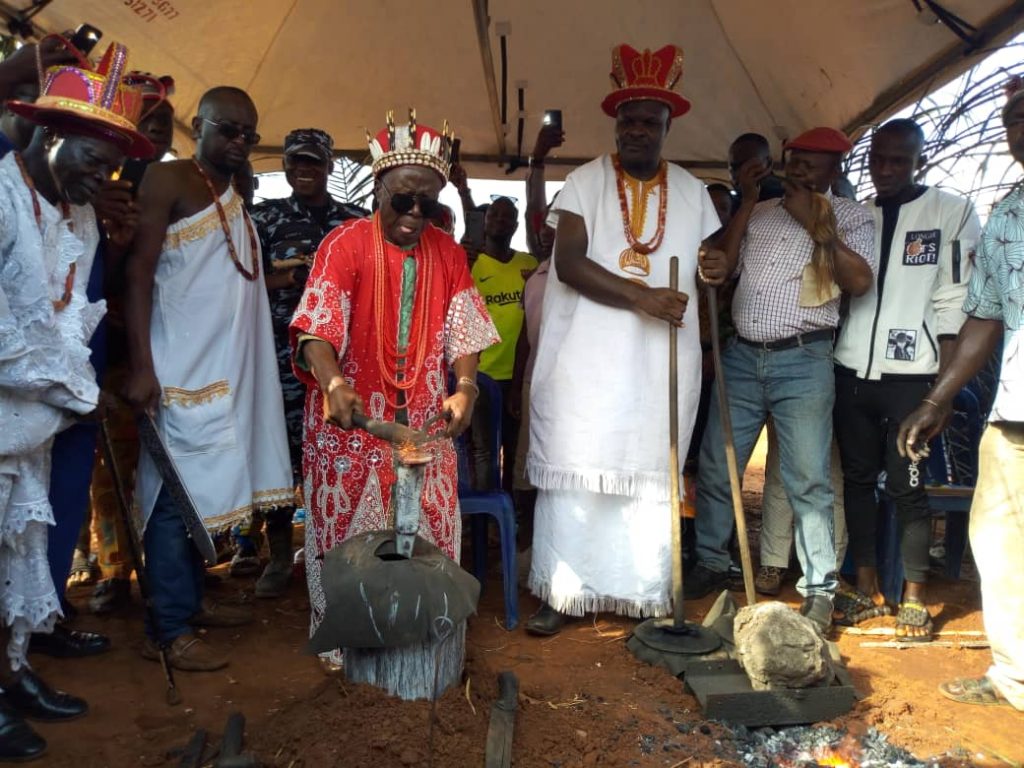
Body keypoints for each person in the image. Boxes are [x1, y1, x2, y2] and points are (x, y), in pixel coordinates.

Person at [525, 44, 720, 636]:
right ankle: (563, 593)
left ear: (668, 127)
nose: (637, 131)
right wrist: (643, 298)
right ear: (616, 125)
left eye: (649, 123)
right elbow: (570, 264)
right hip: (585, 360)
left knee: (647, 473)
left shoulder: (692, 192)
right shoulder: (584, 182)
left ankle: (644, 592)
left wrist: (713, 268)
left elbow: (713, 260)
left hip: (659, 362)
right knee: (577, 470)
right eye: (627, 121)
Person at [289, 110, 498, 643]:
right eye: (402, 200)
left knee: (425, 540)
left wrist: (466, 388)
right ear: (378, 190)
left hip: (426, 423)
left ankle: (423, 643)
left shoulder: (448, 252)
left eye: (427, 205)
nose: (413, 213)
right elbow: (316, 330)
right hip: (350, 428)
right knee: (348, 541)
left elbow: (465, 333)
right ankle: (348, 646)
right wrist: (334, 383)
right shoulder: (344, 244)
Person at [0, 42, 151, 761]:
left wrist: (72, 389)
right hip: (10, 413)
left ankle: (15, 670)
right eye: (92, 160)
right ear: (49, 135)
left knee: (21, 552)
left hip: (33, 427)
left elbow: (77, 315)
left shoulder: (79, 211)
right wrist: (77, 390)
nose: (104, 176)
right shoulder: (0, 196)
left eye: (112, 166)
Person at [124, 86, 293, 671]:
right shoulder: (167, 179)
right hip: (177, 372)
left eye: (250, 133)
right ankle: (166, 629)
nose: (241, 142)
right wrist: (143, 366)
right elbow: (139, 274)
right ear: (200, 125)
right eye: (229, 130)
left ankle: (190, 603)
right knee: (176, 497)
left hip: (231, 376)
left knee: (205, 495)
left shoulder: (235, 194)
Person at [695, 126, 876, 631]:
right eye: (794, 159)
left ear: (836, 166)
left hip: (804, 360)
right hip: (742, 357)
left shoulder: (853, 217)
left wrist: (818, 226)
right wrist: (747, 199)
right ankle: (711, 562)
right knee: (717, 463)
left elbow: (859, 282)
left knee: (807, 478)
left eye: (812, 162)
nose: (798, 168)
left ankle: (819, 588)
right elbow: (721, 266)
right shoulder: (763, 211)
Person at [897, 83, 1024, 709]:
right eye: (1013, 118)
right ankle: (1015, 676)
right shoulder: (1006, 216)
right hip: (1015, 411)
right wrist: (937, 399)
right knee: (999, 538)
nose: (1017, 128)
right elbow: (983, 317)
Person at [834, 118, 979, 639]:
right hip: (851, 370)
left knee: (907, 486)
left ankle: (915, 598)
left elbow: (954, 298)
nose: (888, 169)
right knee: (855, 480)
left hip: (912, 377)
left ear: (920, 160)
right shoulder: (856, 216)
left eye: (900, 159)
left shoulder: (951, 212)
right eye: (879, 159)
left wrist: (940, 389)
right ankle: (865, 589)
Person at [246, 127, 365, 597]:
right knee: (278, 456)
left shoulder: (355, 221)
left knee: (340, 454)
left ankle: (337, 552)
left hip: (342, 362)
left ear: (329, 166)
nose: (303, 170)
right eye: (296, 162)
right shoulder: (264, 218)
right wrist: (292, 278)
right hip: (279, 357)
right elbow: (243, 279)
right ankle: (278, 558)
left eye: (313, 162)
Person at [88, 73, 176, 615]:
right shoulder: (104, 179)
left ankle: (173, 567)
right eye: (148, 121)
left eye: (165, 122)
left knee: (170, 462)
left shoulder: (179, 183)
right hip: (116, 344)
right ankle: (115, 572)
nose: (158, 130)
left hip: (173, 341)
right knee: (115, 464)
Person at [469, 196, 537, 491]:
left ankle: (506, 511)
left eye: (507, 216)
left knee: (513, 447)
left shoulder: (529, 265)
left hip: (519, 375)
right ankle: (483, 525)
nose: (499, 220)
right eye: (494, 214)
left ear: (516, 225)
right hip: (482, 375)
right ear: (484, 221)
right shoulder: (471, 263)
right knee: (484, 451)